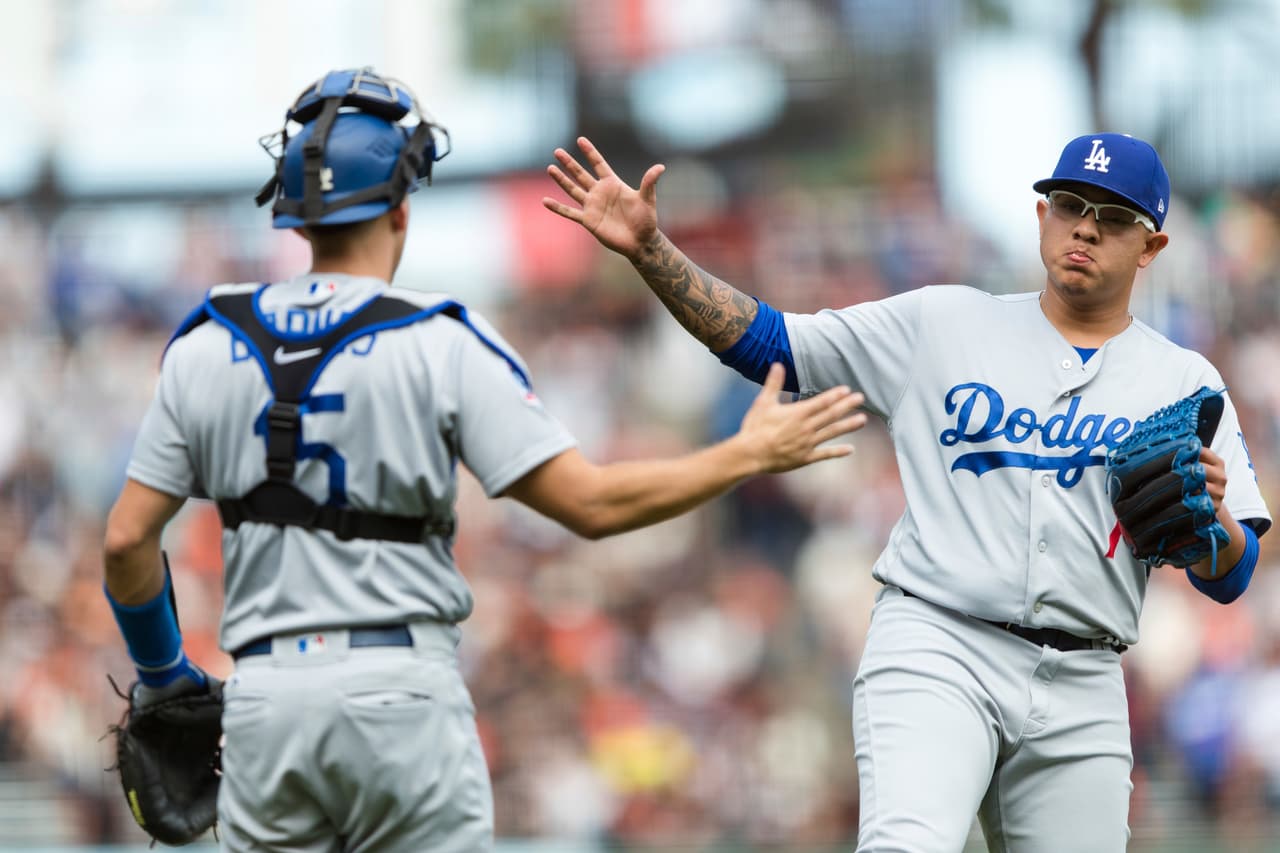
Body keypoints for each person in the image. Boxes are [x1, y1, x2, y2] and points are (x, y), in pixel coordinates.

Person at [101, 68, 869, 851]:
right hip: (400, 698)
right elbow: (590, 503)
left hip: (266, 703)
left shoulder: (205, 345)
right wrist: (742, 454)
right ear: (400, 207)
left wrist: (164, 675)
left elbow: (127, 541)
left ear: (294, 216)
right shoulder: (441, 338)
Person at [543, 133, 1272, 851]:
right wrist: (651, 251)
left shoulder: (1185, 381)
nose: (1085, 227)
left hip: (1086, 673)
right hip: (939, 644)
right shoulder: (943, 322)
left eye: (1113, 217)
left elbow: (1230, 577)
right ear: (1041, 214)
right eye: (1069, 204)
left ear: (1151, 247)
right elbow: (772, 344)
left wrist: (1212, 522)